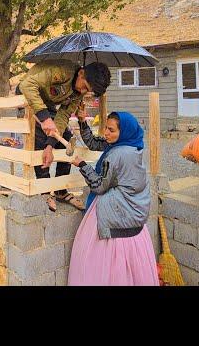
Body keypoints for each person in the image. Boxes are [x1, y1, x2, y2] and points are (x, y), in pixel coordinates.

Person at [67, 111, 158, 285]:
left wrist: (83, 165)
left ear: (122, 132)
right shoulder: (133, 145)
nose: (106, 133)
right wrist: (82, 121)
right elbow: (94, 142)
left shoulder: (117, 155)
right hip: (133, 215)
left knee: (101, 262)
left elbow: (99, 186)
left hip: (116, 215)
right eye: (106, 128)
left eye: (111, 130)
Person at [18, 60, 111, 211]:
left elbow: (63, 116)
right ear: (81, 73)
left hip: (46, 104)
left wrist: (50, 144)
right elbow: (26, 85)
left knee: (65, 137)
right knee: (39, 136)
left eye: (87, 91)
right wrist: (44, 118)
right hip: (28, 95)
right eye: (85, 87)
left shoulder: (78, 94)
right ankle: (45, 190)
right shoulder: (61, 71)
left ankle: (61, 190)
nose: (82, 92)